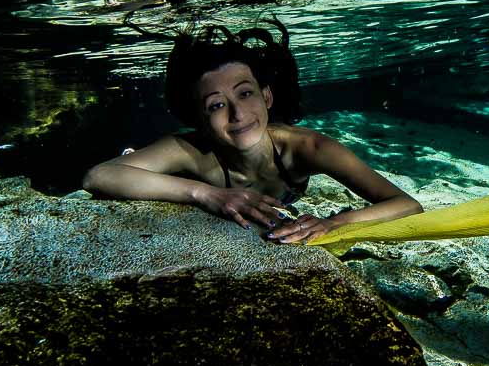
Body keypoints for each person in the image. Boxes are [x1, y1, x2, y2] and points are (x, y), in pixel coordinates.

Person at [83, 21, 421, 245]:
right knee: (131, 161)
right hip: (187, 171)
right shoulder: (192, 150)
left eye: (246, 94)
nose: (238, 113)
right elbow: (99, 175)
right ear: (199, 119)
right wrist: (206, 194)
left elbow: (407, 204)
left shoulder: (307, 148)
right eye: (216, 105)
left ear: (267, 97)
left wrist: (336, 223)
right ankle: (137, 153)